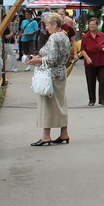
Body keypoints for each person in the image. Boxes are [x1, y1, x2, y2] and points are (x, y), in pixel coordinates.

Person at [25, 12, 71, 145]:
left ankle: (46, 136)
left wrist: (37, 60)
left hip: (50, 76)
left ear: (55, 25)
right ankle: (64, 133)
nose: (46, 28)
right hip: (61, 74)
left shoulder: (54, 37)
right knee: (61, 104)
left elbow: (52, 59)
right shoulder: (64, 36)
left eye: (47, 25)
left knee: (47, 106)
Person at [80, 17, 104, 107]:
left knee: (102, 80)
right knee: (90, 81)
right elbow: (82, 49)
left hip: (102, 61)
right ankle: (91, 99)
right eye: (90, 25)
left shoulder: (102, 35)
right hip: (90, 62)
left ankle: (102, 99)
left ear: (97, 25)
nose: (92, 26)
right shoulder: (85, 37)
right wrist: (87, 58)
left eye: (93, 24)